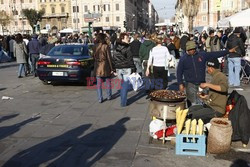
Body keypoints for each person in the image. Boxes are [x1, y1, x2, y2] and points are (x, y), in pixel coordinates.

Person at [177, 41, 236, 106]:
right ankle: (192, 114)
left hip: (202, 83)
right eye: (190, 49)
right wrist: (180, 83)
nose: (192, 51)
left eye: (193, 49)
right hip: (190, 84)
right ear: (187, 50)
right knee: (192, 103)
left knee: (203, 102)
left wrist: (228, 51)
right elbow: (179, 72)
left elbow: (214, 54)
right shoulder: (183, 59)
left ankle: (202, 115)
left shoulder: (202, 55)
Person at [188, 58, 228, 123]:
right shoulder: (215, 76)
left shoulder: (221, 76)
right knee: (191, 109)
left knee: (194, 115)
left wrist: (207, 84)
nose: (207, 69)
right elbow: (215, 95)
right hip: (210, 105)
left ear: (211, 68)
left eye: (208, 67)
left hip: (217, 109)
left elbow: (223, 88)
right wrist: (205, 96)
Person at [113, 33, 136, 107]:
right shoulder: (127, 47)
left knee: (122, 84)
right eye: (126, 38)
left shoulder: (115, 47)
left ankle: (123, 101)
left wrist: (114, 68)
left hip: (118, 68)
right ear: (122, 39)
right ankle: (123, 102)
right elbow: (130, 59)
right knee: (124, 86)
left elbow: (114, 58)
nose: (128, 39)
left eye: (128, 38)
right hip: (126, 68)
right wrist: (133, 68)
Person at [93, 33, 114, 103]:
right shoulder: (106, 46)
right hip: (105, 66)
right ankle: (109, 95)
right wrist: (112, 68)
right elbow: (109, 58)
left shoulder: (95, 46)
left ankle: (100, 98)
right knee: (108, 82)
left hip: (98, 66)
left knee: (99, 84)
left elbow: (93, 57)